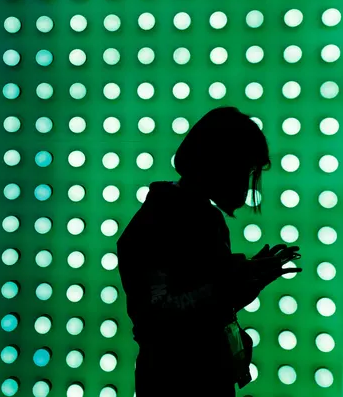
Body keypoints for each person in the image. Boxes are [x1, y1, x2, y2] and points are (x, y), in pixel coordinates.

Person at [116, 106, 302, 396]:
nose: (248, 182)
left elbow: (199, 302)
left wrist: (249, 277)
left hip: (196, 374)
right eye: (246, 169)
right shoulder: (161, 220)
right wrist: (239, 278)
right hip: (176, 380)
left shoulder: (197, 216)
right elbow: (159, 317)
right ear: (221, 163)